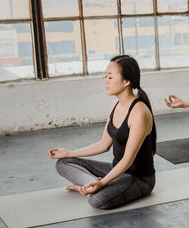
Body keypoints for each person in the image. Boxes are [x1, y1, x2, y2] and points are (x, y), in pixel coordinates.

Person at [47, 55, 157, 210]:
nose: (106, 81)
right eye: (106, 76)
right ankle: (90, 184)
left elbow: (127, 160)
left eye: (110, 77)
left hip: (138, 179)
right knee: (63, 164)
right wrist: (69, 153)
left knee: (97, 201)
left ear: (126, 81)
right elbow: (103, 144)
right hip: (116, 170)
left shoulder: (139, 112)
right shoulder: (114, 105)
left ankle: (89, 186)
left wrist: (103, 183)